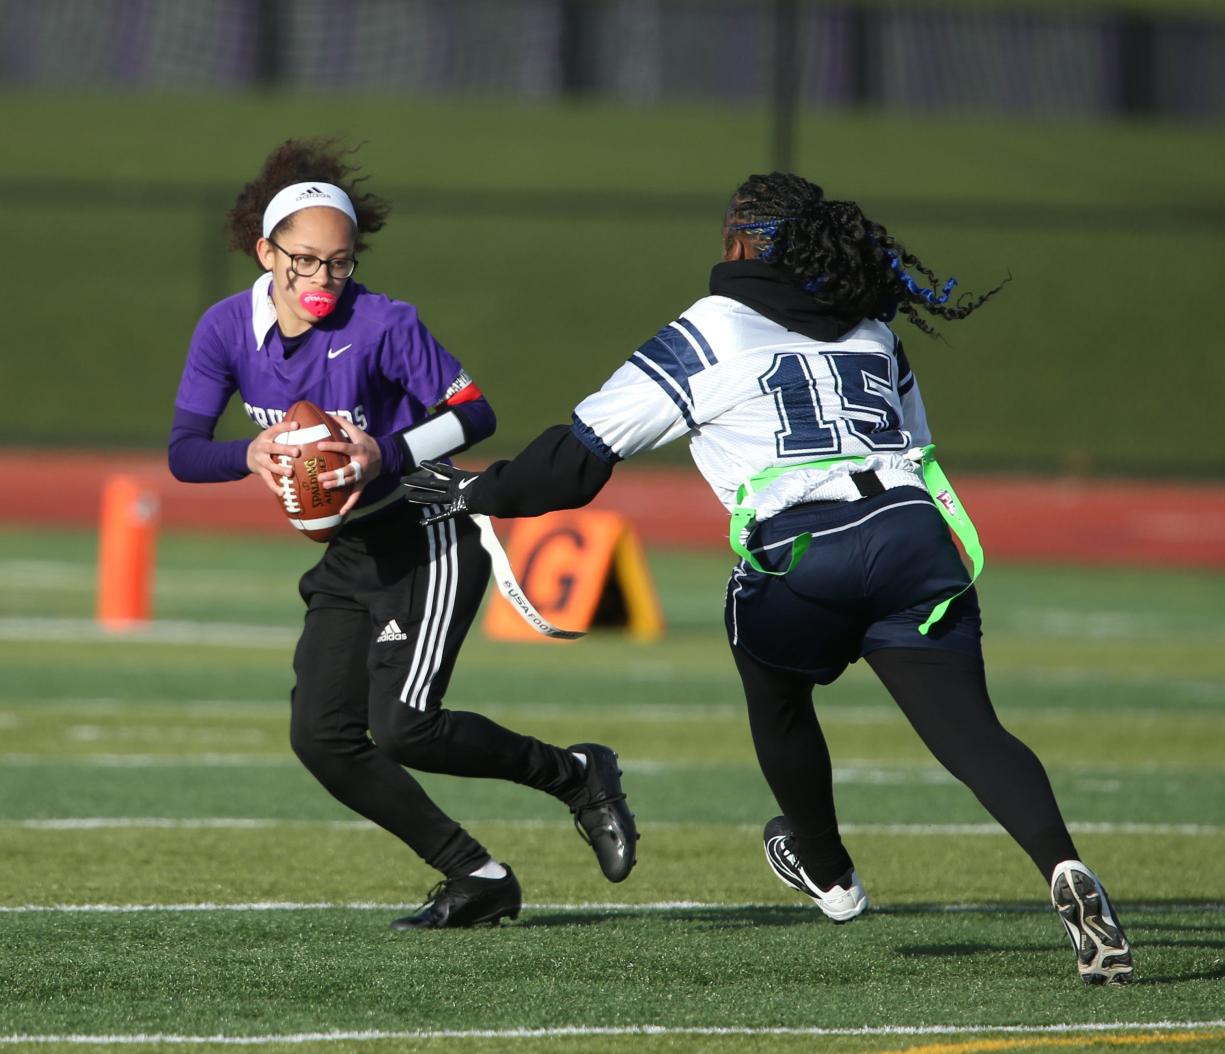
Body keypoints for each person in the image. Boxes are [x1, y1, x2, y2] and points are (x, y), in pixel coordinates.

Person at [404, 172, 1134, 984]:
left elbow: (576, 464)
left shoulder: (712, 327)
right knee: (974, 734)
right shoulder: (873, 330)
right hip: (913, 539)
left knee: (774, 687)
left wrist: (479, 488)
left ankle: (825, 867)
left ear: (743, 242)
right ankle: (1063, 866)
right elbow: (914, 452)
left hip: (804, 547)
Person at [167, 138, 638, 930]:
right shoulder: (224, 329)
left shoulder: (385, 323)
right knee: (322, 738)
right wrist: (246, 452)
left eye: (339, 263)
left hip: (427, 528)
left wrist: (386, 449)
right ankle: (476, 875)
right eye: (304, 261)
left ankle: (576, 774)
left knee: (404, 725)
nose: (321, 279)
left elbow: (475, 413)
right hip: (352, 553)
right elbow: (184, 451)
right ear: (265, 251)